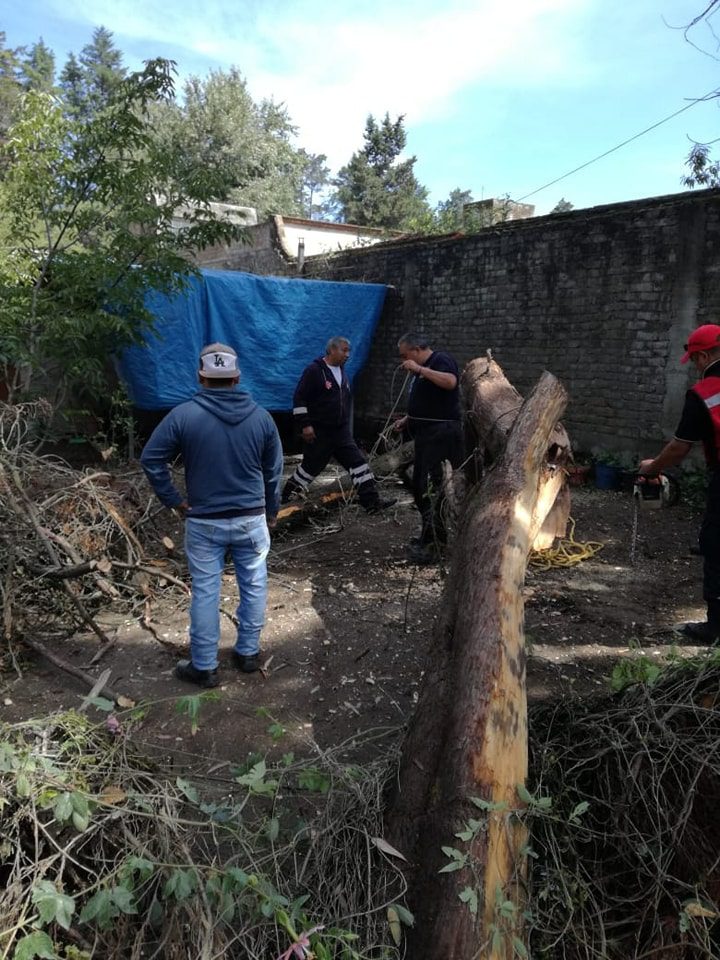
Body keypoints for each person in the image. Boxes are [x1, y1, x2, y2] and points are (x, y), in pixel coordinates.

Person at [140, 343, 283, 687]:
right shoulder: (262, 417)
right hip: (251, 518)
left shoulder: (183, 415)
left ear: (201, 377)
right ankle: (248, 653)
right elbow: (274, 472)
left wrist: (174, 500)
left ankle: (204, 666)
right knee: (255, 583)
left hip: (205, 521)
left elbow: (151, 459)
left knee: (205, 590)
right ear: (237, 377)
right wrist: (272, 512)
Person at [639, 323, 720, 644]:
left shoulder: (705, 393)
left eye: (696, 361)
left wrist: (652, 467)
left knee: (715, 545)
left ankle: (715, 627)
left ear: (703, 357)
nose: (696, 368)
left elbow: (679, 446)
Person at [282, 336, 396, 513]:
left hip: (340, 432)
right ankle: (286, 498)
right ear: (332, 350)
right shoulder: (314, 371)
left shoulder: (341, 371)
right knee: (310, 468)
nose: (348, 355)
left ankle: (371, 502)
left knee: (359, 464)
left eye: (349, 351)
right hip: (320, 432)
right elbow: (299, 398)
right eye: (344, 350)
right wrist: (305, 425)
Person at [393, 332, 463, 564]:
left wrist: (420, 370)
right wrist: (408, 419)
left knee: (431, 486)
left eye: (405, 355)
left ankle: (436, 544)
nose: (404, 361)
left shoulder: (440, 361)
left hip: (441, 434)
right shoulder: (421, 369)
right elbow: (428, 402)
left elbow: (450, 382)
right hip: (425, 433)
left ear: (416, 350)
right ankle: (427, 536)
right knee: (419, 485)